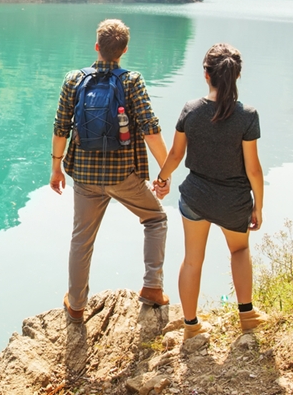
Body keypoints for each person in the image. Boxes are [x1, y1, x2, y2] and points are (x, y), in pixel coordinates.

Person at [50, 18, 170, 323]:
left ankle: (76, 305)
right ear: (124, 50)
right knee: (155, 218)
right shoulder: (132, 81)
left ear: (96, 47)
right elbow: (150, 130)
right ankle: (152, 287)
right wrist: (164, 174)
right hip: (123, 175)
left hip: (85, 176)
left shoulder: (74, 79)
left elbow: (61, 127)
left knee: (82, 238)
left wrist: (56, 168)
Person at [153, 43, 268, 339]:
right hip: (234, 200)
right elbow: (253, 169)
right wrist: (258, 205)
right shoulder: (248, 115)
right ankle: (247, 316)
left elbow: (176, 156)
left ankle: (191, 327)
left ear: (206, 74)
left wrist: (161, 179)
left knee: (192, 260)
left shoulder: (191, 110)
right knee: (240, 250)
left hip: (196, 197)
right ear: (237, 76)